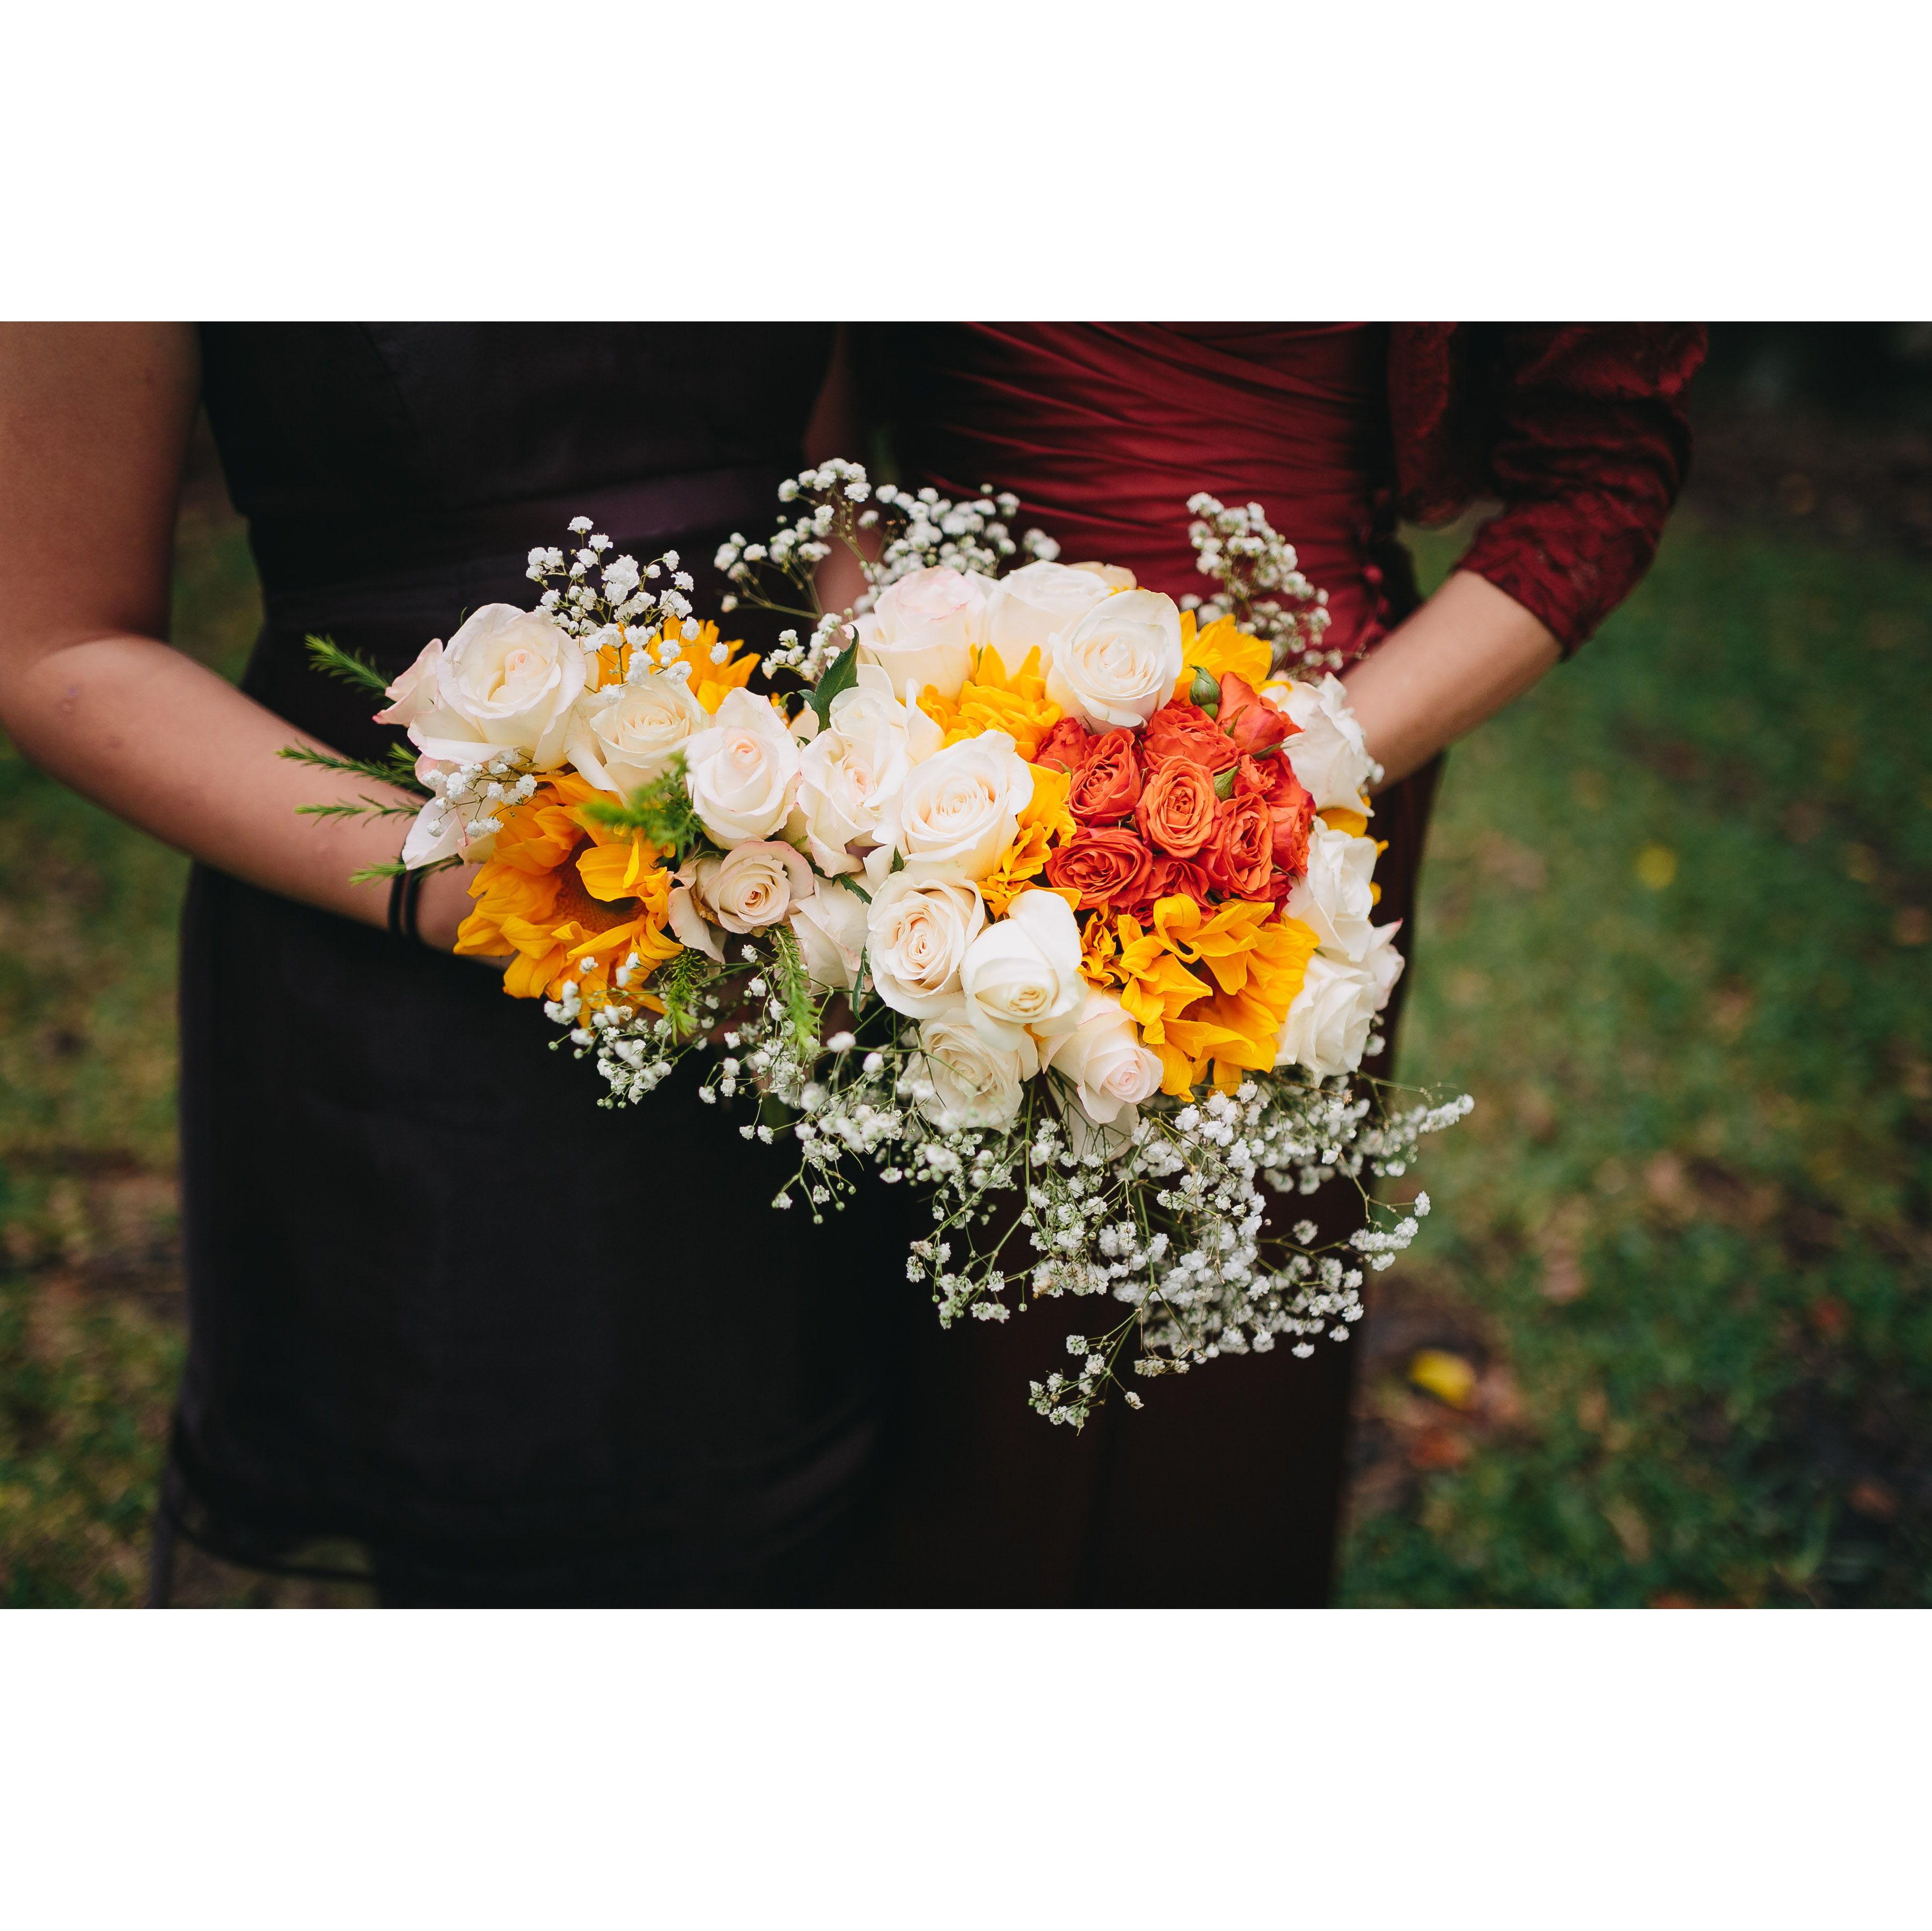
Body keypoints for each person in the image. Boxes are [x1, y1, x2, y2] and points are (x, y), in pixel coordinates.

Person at [0, 323, 913, 1606]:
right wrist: (473, 884)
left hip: (809, 926)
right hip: (406, 968)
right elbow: (50, 644)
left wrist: (903, 786)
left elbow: (823, 493)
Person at [830, 322, 1706, 1604]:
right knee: (939, 1361)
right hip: (939, 782)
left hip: (1301, 796)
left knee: (1205, 1403)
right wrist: (886, 721)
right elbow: (815, 412)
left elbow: (1598, 485)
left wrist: (1275, 783)